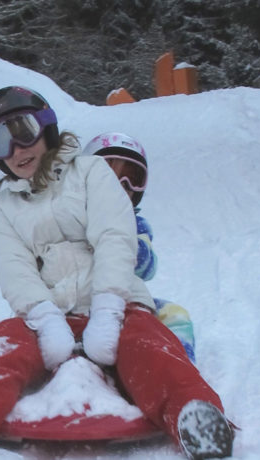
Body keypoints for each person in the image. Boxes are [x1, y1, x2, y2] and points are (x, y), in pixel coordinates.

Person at [0, 87, 233, 460]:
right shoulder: (5, 205)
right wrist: (43, 315)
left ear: (47, 128)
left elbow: (115, 237)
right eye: (0, 140)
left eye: (23, 130)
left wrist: (109, 306)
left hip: (117, 303)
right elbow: (13, 265)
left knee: (149, 348)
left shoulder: (89, 172)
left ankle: (194, 417)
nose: (17, 149)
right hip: (49, 312)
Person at [82, 132, 196, 363]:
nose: (120, 187)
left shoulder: (136, 225)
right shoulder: (74, 219)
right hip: (80, 300)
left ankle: (177, 363)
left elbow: (147, 268)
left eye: (130, 180)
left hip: (129, 301)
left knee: (175, 315)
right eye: (108, 178)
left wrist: (125, 242)